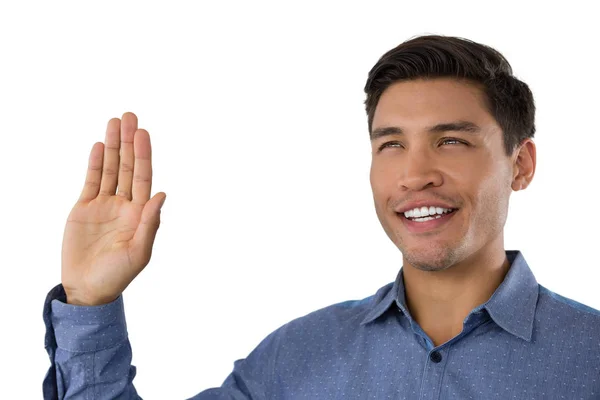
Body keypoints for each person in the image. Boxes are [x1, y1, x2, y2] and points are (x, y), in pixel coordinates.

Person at [43, 34, 600, 399]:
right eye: (391, 145)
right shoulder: (297, 359)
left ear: (520, 164)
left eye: (451, 141)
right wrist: (90, 304)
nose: (415, 173)